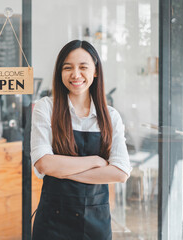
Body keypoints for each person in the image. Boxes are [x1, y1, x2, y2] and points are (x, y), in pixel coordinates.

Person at [31, 40, 132, 240]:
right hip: (52, 221)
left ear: (95, 71)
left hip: (96, 222)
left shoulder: (111, 116)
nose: (75, 74)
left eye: (83, 67)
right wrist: (95, 161)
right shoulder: (46, 108)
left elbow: (120, 172)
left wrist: (61, 171)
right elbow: (44, 164)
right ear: (60, 72)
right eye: (68, 68)